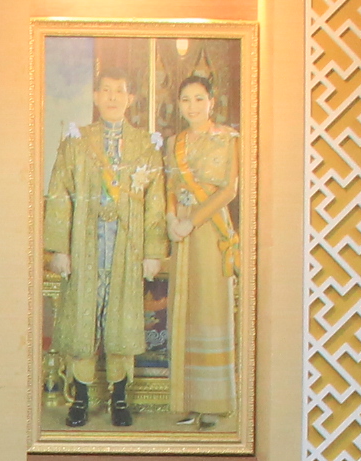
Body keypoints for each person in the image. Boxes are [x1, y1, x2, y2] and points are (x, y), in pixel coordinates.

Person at [41, 63, 165, 430]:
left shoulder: (146, 146)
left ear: (130, 98)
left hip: (127, 246)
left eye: (119, 91)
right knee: (82, 318)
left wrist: (152, 252)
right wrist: (59, 248)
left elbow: (156, 202)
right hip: (85, 243)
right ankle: (80, 397)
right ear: (96, 97)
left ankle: (119, 396)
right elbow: (60, 193)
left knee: (122, 320)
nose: (113, 97)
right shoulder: (77, 141)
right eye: (106, 90)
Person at [160, 74, 239, 426]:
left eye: (199, 99)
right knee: (185, 308)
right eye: (186, 100)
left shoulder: (228, 139)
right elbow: (170, 186)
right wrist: (171, 218)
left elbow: (230, 190)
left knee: (210, 307)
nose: (192, 106)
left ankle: (214, 402)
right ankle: (189, 399)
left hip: (210, 227)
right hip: (181, 229)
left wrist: (193, 221)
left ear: (211, 102)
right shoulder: (173, 143)